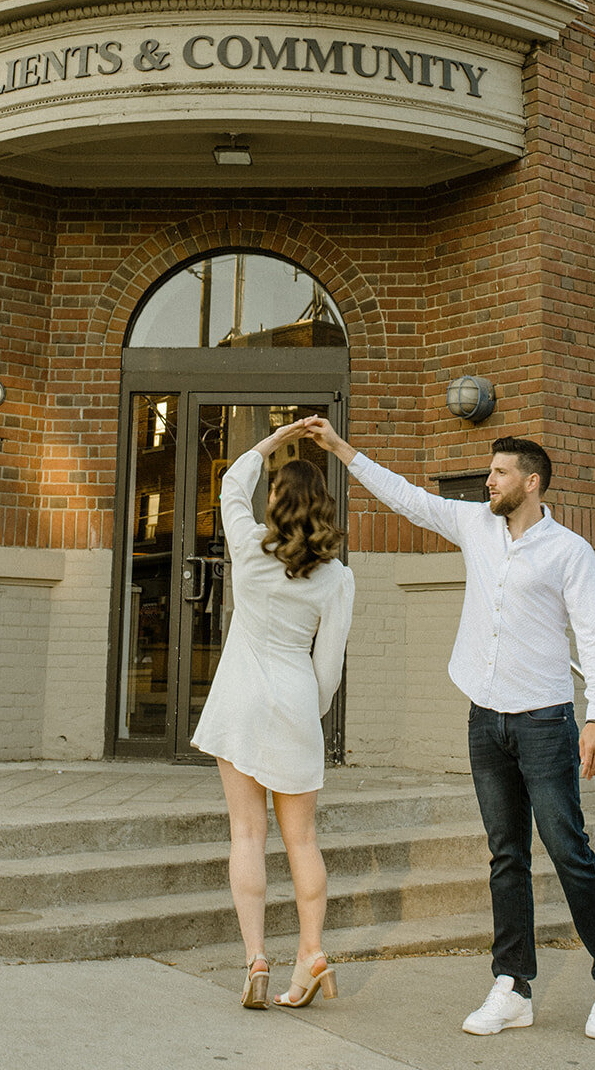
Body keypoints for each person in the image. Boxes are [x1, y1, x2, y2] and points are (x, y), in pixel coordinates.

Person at [303, 419, 595, 1042]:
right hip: (486, 718)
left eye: (500, 473)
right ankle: (513, 985)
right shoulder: (475, 525)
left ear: (530, 483)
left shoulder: (570, 551)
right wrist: (342, 450)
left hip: (545, 721)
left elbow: (593, 638)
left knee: (568, 849)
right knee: (505, 855)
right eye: (490, 472)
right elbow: (409, 498)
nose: (489, 481)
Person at [191, 417, 355, 1011]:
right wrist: (310, 711)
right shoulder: (337, 579)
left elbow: (231, 488)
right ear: (324, 510)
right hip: (293, 700)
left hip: (239, 701)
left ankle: (256, 960)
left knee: (246, 835)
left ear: (278, 501)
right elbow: (329, 666)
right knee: (303, 840)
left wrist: (270, 441)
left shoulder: (250, 548)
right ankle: (311, 951)